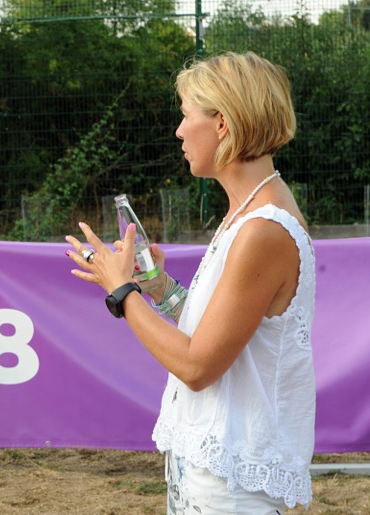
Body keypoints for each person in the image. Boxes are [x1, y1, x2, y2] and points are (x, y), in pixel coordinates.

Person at [66, 51, 315, 513]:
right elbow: (223, 333)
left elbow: (198, 366)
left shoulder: (263, 228)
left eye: (186, 115)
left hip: (230, 488)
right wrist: (160, 288)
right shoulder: (248, 213)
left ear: (222, 123)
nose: (179, 131)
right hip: (210, 468)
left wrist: (123, 292)